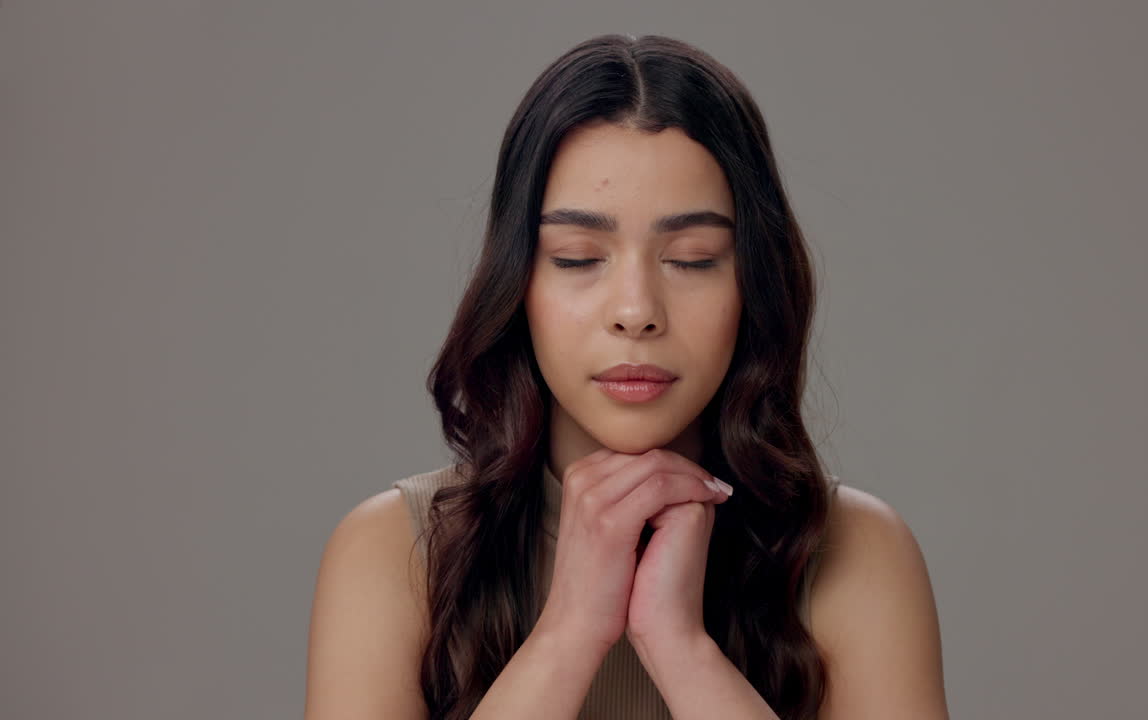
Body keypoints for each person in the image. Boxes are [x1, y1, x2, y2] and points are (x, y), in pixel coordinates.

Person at [305, 33, 948, 720]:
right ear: (516, 283)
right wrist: (568, 632)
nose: (637, 312)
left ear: (753, 285)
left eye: (694, 258)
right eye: (579, 257)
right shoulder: (394, 552)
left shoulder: (856, 554)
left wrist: (682, 649)